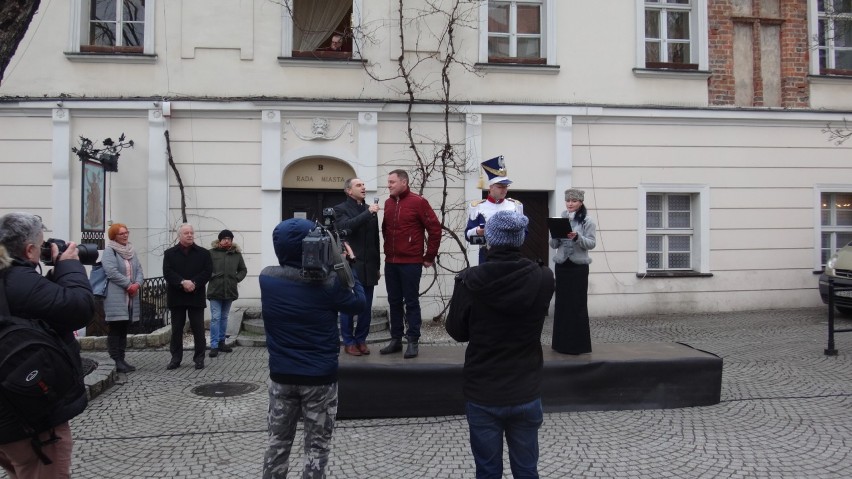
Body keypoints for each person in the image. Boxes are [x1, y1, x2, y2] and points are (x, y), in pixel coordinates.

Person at [446, 210, 555, 479]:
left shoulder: (469, 280)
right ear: (520, 239)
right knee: (527, 470)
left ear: (489, 239)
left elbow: (458, 332)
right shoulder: (544, 278)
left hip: (484, 389)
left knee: (487, 470)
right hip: (526, 388)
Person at [260, 218, 365, 479]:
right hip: (319, 380)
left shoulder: (267, 279)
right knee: (317, 448)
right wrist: (346, 264)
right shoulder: (329, 285)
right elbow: (358, 303)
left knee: (277, 443)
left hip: (282, 377)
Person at [0, 212, 95, 478]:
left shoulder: (12, 280)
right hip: (30, 414)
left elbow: (37, 312)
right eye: (40, 245)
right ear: (29, 249)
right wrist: (70, 266)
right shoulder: (18, 281)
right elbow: (80, 308)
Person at [379, 169, 441, 359]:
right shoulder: (388, 203)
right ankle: (396, 339)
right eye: (388, 182)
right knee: (394, 301)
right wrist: (389, 251)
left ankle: (412, 340)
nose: (388, 185)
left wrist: (429, 256)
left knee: (411, 301)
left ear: (404, 182)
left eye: (392, 182)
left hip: (411, 263)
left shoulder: (418, 202)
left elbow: (435, 229)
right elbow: (385, 230)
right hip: (391, 262)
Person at [334, 178, 381, 356]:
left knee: (366, 307)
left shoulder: (370, 209)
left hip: (369, 266)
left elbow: (376, 240)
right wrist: (368, 212)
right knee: (349, 306)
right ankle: (348, 341)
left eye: (364, 185)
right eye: (359, 185)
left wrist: (377, 266)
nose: (364, 187)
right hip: (351, 266)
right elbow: (345, 227)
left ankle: (361, 339)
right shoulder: (341, 209)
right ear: (348, 190)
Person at [549, 188, 597, 355]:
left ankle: (578, 345)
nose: (570, 203)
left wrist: (577, 237)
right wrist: (555, 234)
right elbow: (554, 245)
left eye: (574, 201)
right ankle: (561, 344)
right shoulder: (560, 219)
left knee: (577, 305)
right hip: (562, 265)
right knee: (562, 305)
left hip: (578, 267)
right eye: (568, 200)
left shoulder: (587, 221)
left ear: (580, 203)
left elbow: (591, 243)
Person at [163, 223, 212, 370]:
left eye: (191, 232)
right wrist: (182, 282)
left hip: (195, 296)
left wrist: (194, 283)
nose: (190, 235)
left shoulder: (204, 253)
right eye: (186, 233)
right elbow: (168, 272)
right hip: (177, 296)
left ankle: (199, 358)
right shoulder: (170, 253)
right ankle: (176, 358)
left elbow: (207, 271)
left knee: (198, 329)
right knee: (177, 329)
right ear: (180, 235)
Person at [102, 223, 144, 373]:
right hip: (116, 295)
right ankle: (115, 359)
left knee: (124, 328)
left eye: (127, 232)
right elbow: (111, 272)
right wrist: (128, 284)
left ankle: (122, 358)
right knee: (116, 328)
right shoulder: (110, 251)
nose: (125, 235)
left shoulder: (131, 251)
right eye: (122, 233)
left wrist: (137, 284)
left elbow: (139, 269)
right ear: (114, 236)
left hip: (130, 296)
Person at [465, 155, 524, 263]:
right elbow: (468, 235)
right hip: (487, 256)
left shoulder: (515, 206)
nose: (504, 190)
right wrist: (478, 231)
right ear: (491, 187)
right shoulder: (478, 207)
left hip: (510, 256)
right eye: (500, 186)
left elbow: (525, 232)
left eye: (506, 186)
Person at [207, 229, 247, 358]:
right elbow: (204, 268)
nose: (227, 240)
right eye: (224, 238)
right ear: (219, 240)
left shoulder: (236, 254)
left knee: (224, 317)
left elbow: (243, 269)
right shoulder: (211, 253)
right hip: (215, 290)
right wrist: (212, 276)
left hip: (229, 290)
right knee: (215, 318)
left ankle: (221, 342)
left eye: (229, 239)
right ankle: (213, 346)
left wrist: (236, 278)